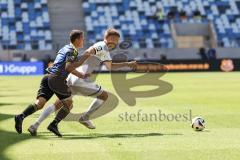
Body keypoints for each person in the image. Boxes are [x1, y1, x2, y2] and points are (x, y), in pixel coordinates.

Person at [27, 28, 137, 136]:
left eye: (117, 40)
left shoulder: (104, 49)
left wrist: (127, 64)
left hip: (72, 77)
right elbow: (90, 51)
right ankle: (85, 118)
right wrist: (82, 60)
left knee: (59, 104)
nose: (116, 42)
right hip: (80, 79)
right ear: (108, 38)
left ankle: (35, 125)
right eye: (115, 39)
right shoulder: (102, 46)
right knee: (104, 96)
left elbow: (109, 66)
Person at [14, 29, 87, 137]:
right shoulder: (73, 51)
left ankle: (21, 116)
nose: (84, 40)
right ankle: (54, 124)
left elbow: (59, 63)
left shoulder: (64, 48)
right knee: (69, 104)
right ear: (77, 40)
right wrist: (81, 75)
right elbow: (68, 67)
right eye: (82, 38)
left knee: (39, 103)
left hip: (47, 77)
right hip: (57, 79)